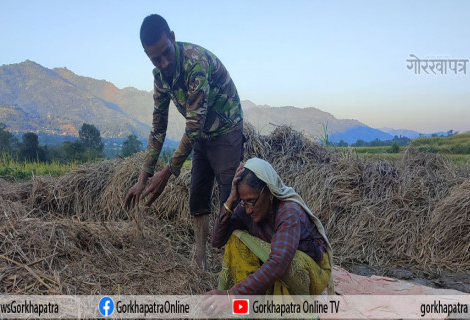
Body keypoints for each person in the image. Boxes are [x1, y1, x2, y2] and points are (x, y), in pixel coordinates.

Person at [124, 14, 244, 270]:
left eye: (166, 52)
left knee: (230, 198)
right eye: (156, 58)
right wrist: (143, 178)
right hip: (201, 135)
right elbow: (158, 129)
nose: (164, 62)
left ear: (173, 38)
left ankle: (234, 266)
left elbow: (192, 128)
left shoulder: (195, 64)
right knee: (198, 197)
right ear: (147, 55)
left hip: (225, 129)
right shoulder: (160, 78)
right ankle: (200, 261)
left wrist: (166, 173)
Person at [203, 158, 334, 315]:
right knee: (236, 238)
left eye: (251, 201)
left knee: (285, 261)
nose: (248, 209)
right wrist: (231, 200)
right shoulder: (248, 210)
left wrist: (231, 295)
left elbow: (278, 263)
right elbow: (216, 240)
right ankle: (249, 306)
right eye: (244, 202)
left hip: (310, 276)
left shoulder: (289, 212)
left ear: (269, 192)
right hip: (280, 269)